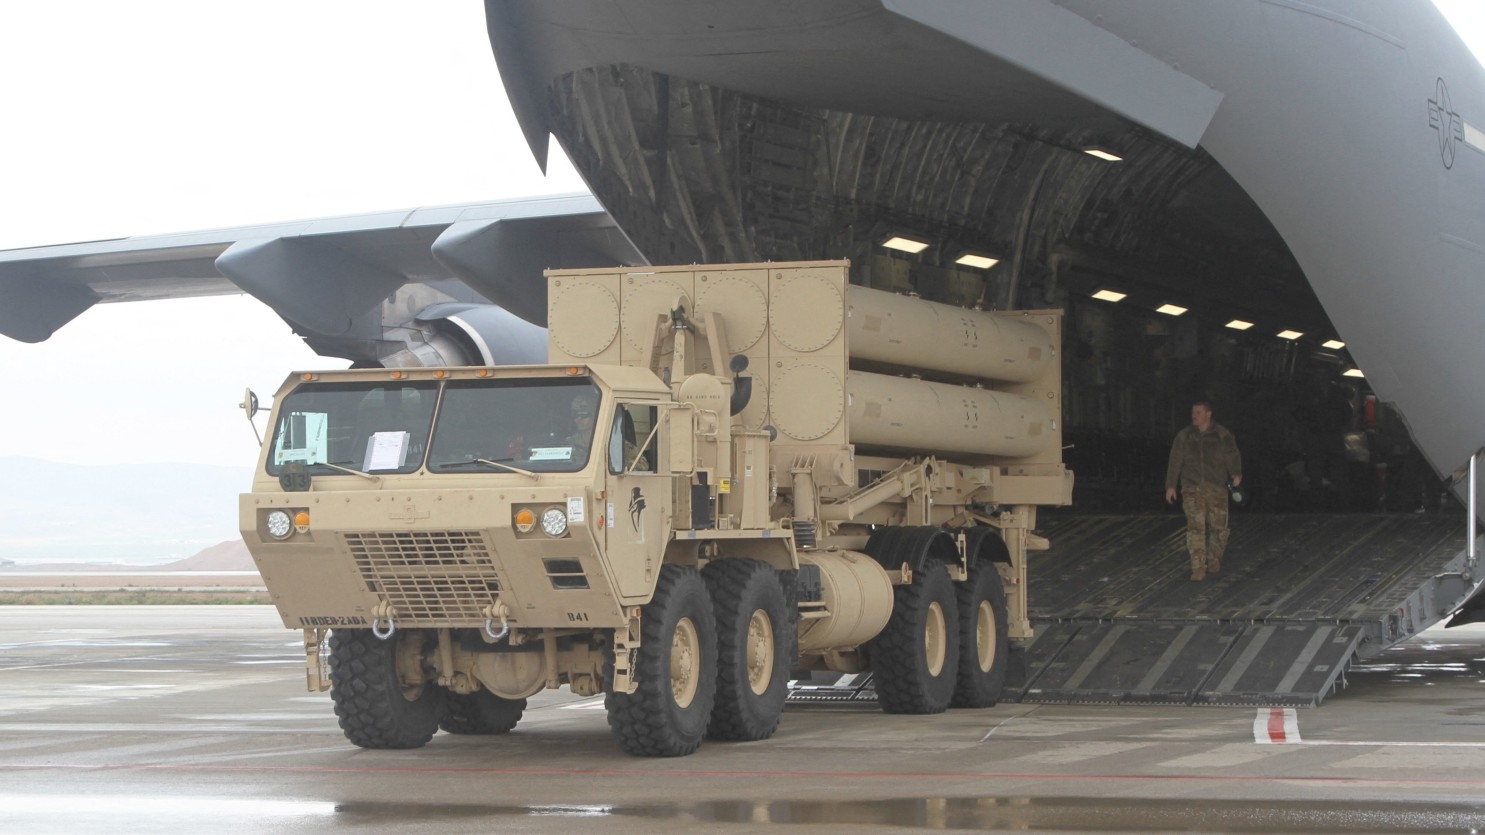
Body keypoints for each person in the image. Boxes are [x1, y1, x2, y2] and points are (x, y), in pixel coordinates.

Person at [1165, 401, 1242, 581]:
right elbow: (1175, 461)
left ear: (1208, 414)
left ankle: (1214, 557)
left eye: (1198, 412)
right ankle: (1198, 566)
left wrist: (1236, 473)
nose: (1194, 416)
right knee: (1195, 527)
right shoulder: (1184, 436)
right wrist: (1170, 485)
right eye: (1193, 412)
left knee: (1219, 528)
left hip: (1216, 488)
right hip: (1192, 488)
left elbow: (1232, 455)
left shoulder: (1222, 435)